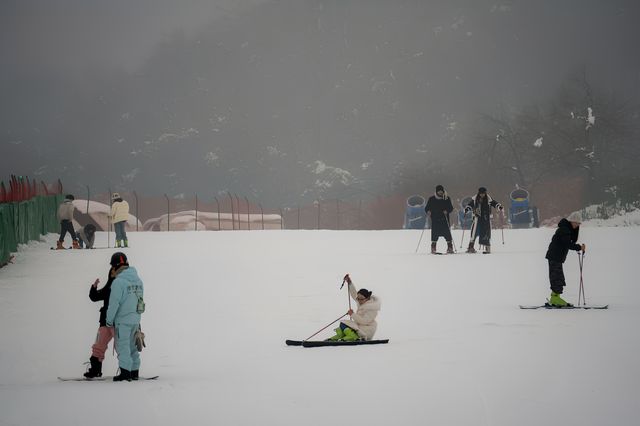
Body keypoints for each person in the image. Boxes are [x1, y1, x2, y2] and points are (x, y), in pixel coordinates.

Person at [106, 252, 144, 381]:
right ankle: (134, 371)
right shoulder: (138, 281)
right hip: (135, 320)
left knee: (123, 347)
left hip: (122, 321)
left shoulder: (118, 282)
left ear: (116, 266)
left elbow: (114, 304)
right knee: (133, 347)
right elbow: (140, 301)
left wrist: (109, 321)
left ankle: (125, 373)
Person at [545, 212, 586, 307]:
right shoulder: (564, 229)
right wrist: (579, 247)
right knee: (557, 278)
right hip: (554, 256)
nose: (577, 225)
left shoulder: (567, 229)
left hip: (556, 257)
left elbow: (568, 243)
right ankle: (555, 298)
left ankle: (555, 297)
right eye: (576, 223)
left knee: (558, 277)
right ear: (571, 221)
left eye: (578, 224)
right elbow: (567, 244)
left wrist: (578, 247)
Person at [83, 266, 116, 378]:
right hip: (104, 323)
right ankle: (95, 370)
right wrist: (94, 287)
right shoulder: (108, 288)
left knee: (123, 347)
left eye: (115, 271)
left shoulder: (123, 287)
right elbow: (94, 297)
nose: (113, 273)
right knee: (98, 346)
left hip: (118, 323)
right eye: (111, 271)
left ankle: (128, 371)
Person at [327, 274, 381, 341]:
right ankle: (340, 335)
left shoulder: (372, 308)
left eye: (361, 299)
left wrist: (352, 314)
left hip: (366, 330)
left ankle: (352, 336)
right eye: (358, 299)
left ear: (367, 298)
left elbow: (364, 321)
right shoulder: (362, 302)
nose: (359, 300)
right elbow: (354, 294)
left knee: (346, 325)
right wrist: (349, 283)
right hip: (359, 326)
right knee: (343, 324)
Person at [465, 187, 503, 254]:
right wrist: (467, 209)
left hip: (485, 219)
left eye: (483, 193)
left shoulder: (488, 199)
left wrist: (498, 206)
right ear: (479, 193)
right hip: (477, 218)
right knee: (474, 232)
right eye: (480, 193)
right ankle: (471, 247)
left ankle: (487, 248)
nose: (482, 195)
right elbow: (470, 205)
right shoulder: (475, 199)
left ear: (485, 193)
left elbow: (494, 203)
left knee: (485, 233)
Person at [425, 184, 454, 254]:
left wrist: (447, 211)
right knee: (435, 234)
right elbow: (427, 208)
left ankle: (450, 247)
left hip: (444, 219)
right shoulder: (431, 199)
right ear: (436, 191)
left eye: (441, 191)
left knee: (447, 234)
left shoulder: (447, 198)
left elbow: (451, 208)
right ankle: (433, 248)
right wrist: (428, 211)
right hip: (435, 219)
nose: (440, 192)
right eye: (439, 191)